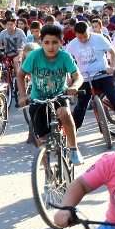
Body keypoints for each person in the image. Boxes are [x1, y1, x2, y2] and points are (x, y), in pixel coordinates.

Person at [16, 24, 84, 165]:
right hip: (38, 99)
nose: (51, 47)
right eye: (46, 43)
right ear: (41, 43)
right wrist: (23, 96)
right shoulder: (35, 56)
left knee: (65, 113)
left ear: (61, 42)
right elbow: (20, 75)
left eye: (55, 42)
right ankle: (48, 175)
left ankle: (73, 149)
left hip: (59, 96)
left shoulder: (64, 56)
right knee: (41, 141)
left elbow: (78, 76)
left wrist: (74, 86)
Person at [65, 20, 115, 131]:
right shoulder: (72, 44)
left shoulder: (98, 38)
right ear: (76, 35)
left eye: (85, 37)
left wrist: (112, 67)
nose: (83, 40)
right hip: (84, 79)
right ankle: (71, 132)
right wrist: (69, 77)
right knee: (81, 106)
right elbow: (66, 62)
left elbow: (112, 52)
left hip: (103, 75)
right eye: (80, 38)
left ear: (88, 31)